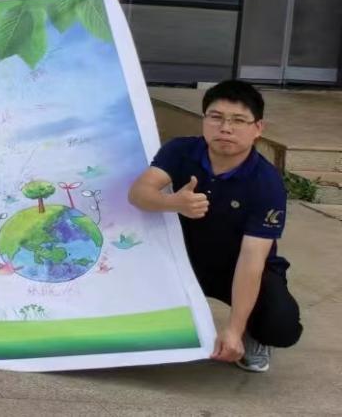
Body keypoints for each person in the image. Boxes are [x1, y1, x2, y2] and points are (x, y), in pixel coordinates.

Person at [128, 80, 302, 372]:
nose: (225, 128)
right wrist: (173, 202)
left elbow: (252, 259)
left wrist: (234, 329)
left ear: (258, 128)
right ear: (204, 120)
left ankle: (253, 335)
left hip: (234, 266)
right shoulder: (181, 151)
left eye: (238, 120)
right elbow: (138, 193)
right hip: (180, 259)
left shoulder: (267, 183)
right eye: (216, 117)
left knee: (280, 325)